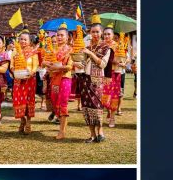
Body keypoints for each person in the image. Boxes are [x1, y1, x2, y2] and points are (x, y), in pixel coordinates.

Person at [74, 14, 112, 143]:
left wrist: (90, 53)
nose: (95, 34)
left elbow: (102, 64)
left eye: (97, 32)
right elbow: (82, 62)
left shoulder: (106, 48)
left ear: (101, 33)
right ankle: (92, 134)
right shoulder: (86, 46)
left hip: (97, 80)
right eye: (93, 32)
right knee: (86, 105)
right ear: (90, 33)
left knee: (97, 105)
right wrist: (78, 63)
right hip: (85, 79)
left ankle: (100, 131)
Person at [44, 26, 74, 139]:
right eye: (58, 35)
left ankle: (62, 131)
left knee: (62, 103)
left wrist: (58, 67)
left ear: (67, 37)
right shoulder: (53, 50)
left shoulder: (71, 50)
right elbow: (44, 62)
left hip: (65, 78)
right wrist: (46, 64)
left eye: (62, 35)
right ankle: (62, 124)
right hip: (54, 79)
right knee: (55, 102)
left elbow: (70, 66)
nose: (59, 37)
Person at [11, 30, 39, 134]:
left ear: (29, 41)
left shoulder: (33, 52)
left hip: (29, 80)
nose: (22, 41)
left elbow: (35, 66)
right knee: (17, 100)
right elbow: (12, 65)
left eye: (25, 39)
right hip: (18, 79)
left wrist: (31, 73)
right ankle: (22, 120)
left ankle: (29, 122)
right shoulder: (15, 52)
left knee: (28, 100)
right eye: (21, 39)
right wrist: (13, 70)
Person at [102, 26, 123, 128]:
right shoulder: (101, 45)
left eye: (108, 34)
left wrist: (121, 62)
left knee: (114, 95)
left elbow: (124, 58)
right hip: (103, 73)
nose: (106, 36)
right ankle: (108, 111)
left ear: (113, 35)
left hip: (115, 73)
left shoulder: (117, 46)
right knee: (104, 95)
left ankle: (112, 118)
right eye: (105, 34)